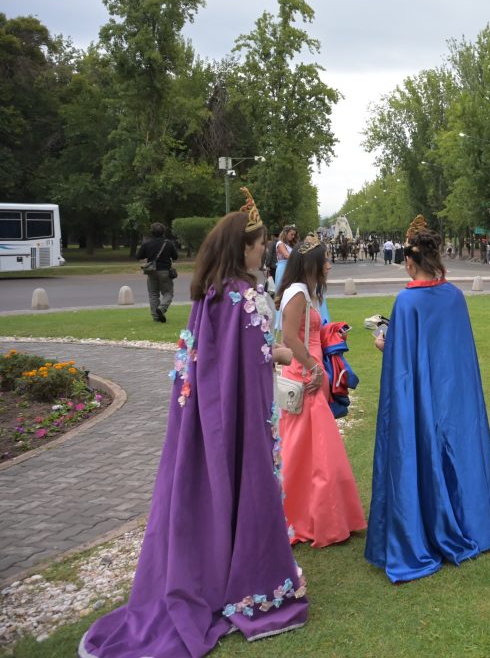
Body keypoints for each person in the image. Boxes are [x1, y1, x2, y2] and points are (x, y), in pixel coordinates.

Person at [81, 189, 307, 657]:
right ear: (243, 248)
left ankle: (216, 574)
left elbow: (224, 357)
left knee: (210, 492)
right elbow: (248, 363)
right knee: (247, 487)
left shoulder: (212, 292)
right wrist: (279, 356)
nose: (264, 251)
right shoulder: (243, 298)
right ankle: (250, 584)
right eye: (259, 245)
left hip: (206, 416)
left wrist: (268, 353)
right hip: (239, 417)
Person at [367, 215, 490, 582]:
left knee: (420, 453)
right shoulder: (455, 297)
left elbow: (403, 360)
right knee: (458, 453)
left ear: (410, 263)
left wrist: (384, 343)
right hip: (454, 396)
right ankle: (471, 523)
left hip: (422, 397)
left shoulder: (407, 302)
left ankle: (424, 530)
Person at [276, 234, 366, 548]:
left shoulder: (302, 291)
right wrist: (314, 368)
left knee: (312, 449)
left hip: (310, 372)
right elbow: (289, 337)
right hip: (306, 376)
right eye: (324, 261)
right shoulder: (298, 292)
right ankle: (309, 515)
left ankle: (314, 513)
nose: (328, 266)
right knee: (308, 448)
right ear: (311, 265)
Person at [134, 222, 178, 323]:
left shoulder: (147, 243)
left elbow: (138, 256)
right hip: (165, 271)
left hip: (151, 271)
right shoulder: (168, 243)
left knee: (153, 294)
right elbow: (175, 257)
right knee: (168, 292)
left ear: (151, 232)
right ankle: (162, 308)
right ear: (163, 232)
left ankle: (156, 316)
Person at [273, 225, 298, 291]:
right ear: (286, 233)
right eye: (291, 234)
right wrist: (298, 258)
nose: (293, 236)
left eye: (294, 235)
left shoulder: (290, 244)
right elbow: (286, 255)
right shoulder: (280, 243)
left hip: (290, 267)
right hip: (283, 267)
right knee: (281, 288)